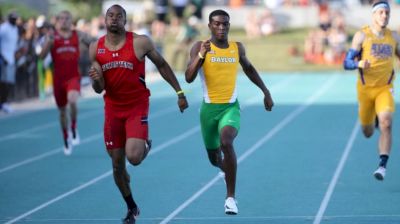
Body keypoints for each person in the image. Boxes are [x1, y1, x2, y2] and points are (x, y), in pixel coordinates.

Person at [88, 5, 188, 224]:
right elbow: (98, 88)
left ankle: (145, 145)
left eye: (119, 16)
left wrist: (179, 92)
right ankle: (131, 207)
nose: (114, 19)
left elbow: (162, 65)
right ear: (105, 20)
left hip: (136, 106)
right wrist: (96, 78)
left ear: (125, 20)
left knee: (133, 157)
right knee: (117, 166)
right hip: (113, 109)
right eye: (110, 16)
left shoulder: (140, 42)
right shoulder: (96, 48)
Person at [185, 9, 274, 215]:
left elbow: (249, 69)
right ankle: (226, 170)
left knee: (226, 141)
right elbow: (189, 77)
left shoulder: (237, 48)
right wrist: (201, 56)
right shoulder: (200, 46)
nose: (221, 27)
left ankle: (230, 199)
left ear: (229, 26)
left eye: (225, 24)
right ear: (209, 26)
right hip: (208, 110)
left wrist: (265, 91)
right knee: (215, 158)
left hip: (230, 108)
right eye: (217, 24)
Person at [343, 0, 400, 181]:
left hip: (385, 88)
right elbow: (346, 63)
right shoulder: (362, 36)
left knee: (386, 123)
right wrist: (358, 63)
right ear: (374, 15)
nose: (384, 16)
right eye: (381, 12)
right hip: (366, 90)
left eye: (387, 13)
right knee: (367, 132)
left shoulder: (394, 37)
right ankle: (372, 119)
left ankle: (382, 166)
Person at [39, 10, 94, 155]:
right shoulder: (52, 36)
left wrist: (93, 50)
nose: (64, 21)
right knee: (62, 111)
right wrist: (47, 43)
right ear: (57, 21)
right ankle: (66, 136)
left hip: (73, 77)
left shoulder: (78, 35)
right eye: (61, 18)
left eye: (67, 18)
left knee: (72, 100)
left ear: (71, 21)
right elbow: (41, 56)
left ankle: (74, 127)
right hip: (58, 80)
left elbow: (95, 43)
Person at [0, 12, 19, 113]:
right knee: (3, 83)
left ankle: (5, 102)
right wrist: (2, 57)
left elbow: (14, 44)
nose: (14, 21)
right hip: (3, 59)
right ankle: (3, 103)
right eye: (13, 19)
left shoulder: (15, 29)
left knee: (9, 82)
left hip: (11, 59)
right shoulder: (3, 28)